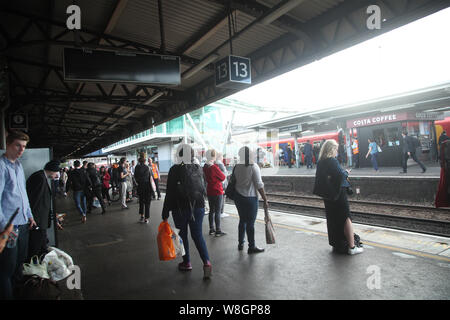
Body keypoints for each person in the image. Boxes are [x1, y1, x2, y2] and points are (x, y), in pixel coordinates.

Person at [162, 144, 212, 279]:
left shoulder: (174, 170)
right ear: (192, 155)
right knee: (197, 235)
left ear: (179, 155)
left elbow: (170, 193)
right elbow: (204, 187)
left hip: (180, 208)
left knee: (182, 236)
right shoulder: (198, 168)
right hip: (198, 206)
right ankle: (206, 262)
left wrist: (165, 213)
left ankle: (187, 262)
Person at [0, 130, 37, 300]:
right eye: (18, 145)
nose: (21, 150)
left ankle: (18, 293)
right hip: (10, 227)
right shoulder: (1, 166)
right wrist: (4, 227)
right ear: (7, 144)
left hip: (22, 224)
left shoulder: (19, 166)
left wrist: (29, 215)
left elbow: (23, 196)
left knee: (19, 265)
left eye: (24, 147)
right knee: (6, 270)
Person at [313, 139, 363, 255]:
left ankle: (337, 243)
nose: (337, 151)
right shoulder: (332, 161)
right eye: (336, 149)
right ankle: (351, 247)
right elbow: (340, 176)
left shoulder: (321, 162)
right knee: (346, 218)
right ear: (331, 149)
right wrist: (346, 172)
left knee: (333, 219)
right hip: (338, 195)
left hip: (328, 196)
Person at [233, 146, 268, 254]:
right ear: (250, 155)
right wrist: (265, 199)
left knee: (242, 220)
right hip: (250, 198)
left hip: (238, 197)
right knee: (250, 223)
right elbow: (259, 184)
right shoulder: (253, 166)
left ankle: (240, 243)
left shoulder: (236, 166)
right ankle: (251, 246)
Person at [26, 160, 61, 259]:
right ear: (52, 170)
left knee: (41, 245)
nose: (56, 177)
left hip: (40, 220)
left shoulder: (41, 176)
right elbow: (34, 200)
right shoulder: (39, 178)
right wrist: (32, 219)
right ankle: (33, 268)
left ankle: (39, 264)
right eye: (56, 174)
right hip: (37, 221)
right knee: (35, 247)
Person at [203, 149, 226, 237]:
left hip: (209, 190)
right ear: (214, 156)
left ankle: (211, 229)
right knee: (217, 211)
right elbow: (223, 177)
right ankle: (218, 230)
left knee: (211, 210)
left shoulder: (205, 166)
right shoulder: (214, 167)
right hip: (217, 191)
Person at [134, 155, 153, 224]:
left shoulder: (136, 167)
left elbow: (135, 177)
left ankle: (142, 216)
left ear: (139, 161)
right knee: (147, 202)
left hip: (140, 186)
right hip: (147, 186)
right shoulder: (147, 167)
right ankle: (146, 218)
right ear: (145, 161)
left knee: (141, 201)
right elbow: (150, 178)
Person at [215, 152, 228, 217]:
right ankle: (221, 212)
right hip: (222, 183)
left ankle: (218, 211)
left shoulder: (215, 163)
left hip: (218, 183)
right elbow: (224, 174)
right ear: (220, 156)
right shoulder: (220, 163)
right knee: (222, 198)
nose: (223, 158)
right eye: (222, 156)